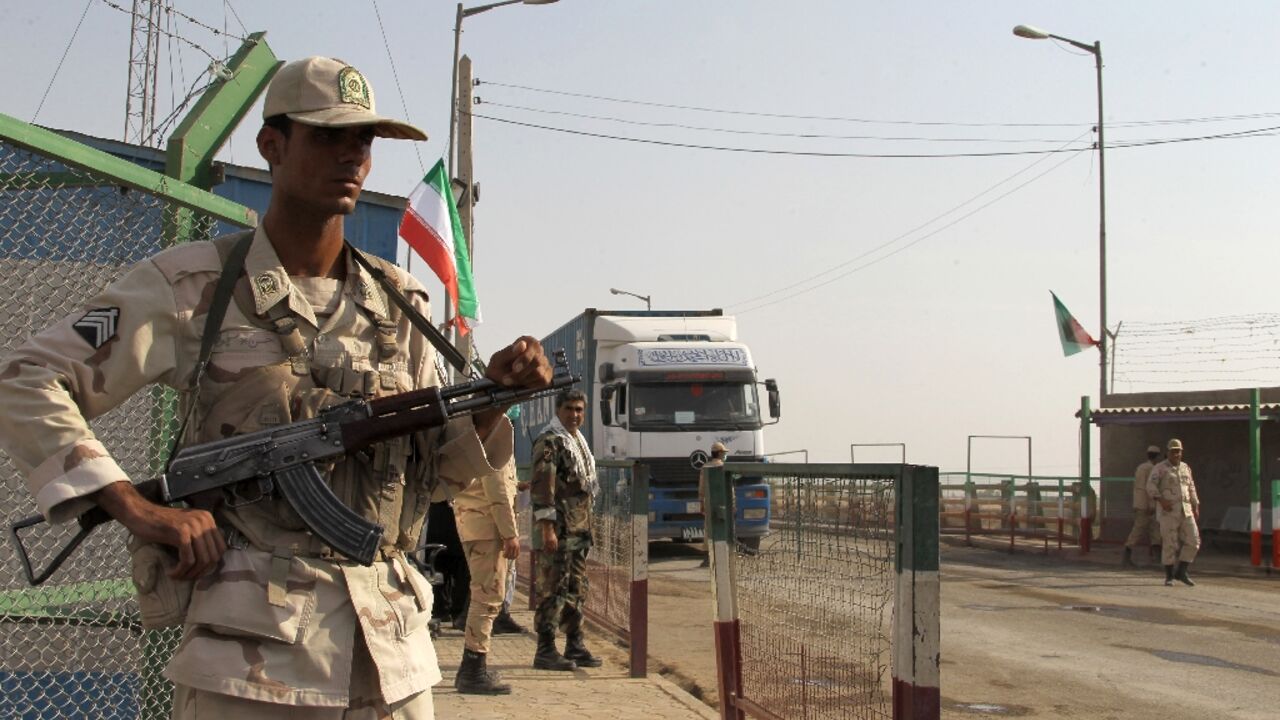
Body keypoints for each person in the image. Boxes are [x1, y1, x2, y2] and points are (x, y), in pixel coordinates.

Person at [0, 56, 552, 718]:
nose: (352, 155)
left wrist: (492, 402)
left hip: (392, 660)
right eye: (328, 135)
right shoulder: (193, 288)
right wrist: (136, 507)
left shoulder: (401, 303)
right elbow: (28, 379)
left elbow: (430, 477)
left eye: (364, 140)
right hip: (251, 669)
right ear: (272, 145)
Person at [529, 388, 601, 671]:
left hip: (579, 529)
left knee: (576, 587)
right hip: (558, 530)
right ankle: (545, 649)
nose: (575, 415)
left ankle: (575, 643)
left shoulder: (577, 442)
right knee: (552, 588)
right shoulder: (550, 442)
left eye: (579, 410)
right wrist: (547, 530)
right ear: (558, 410)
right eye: (569, 409)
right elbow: (542, 490)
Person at [450, 460, 521, 694]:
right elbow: (497, 488)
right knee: (487, 598)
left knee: (485, 595)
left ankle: (470, 668)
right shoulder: (495, 434)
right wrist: (510, 533)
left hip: (475, 522)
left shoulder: (481, 433)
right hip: (488, 526)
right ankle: (473, 670)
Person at [1146, 438, 1201, 587]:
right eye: (1173, 451)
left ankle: (1181, 571)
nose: (1176, 454)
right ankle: (1169, 575)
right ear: (1168, 452)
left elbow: (1191, 487)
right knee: (1170, 543)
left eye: (1178, 451)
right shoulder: (1160, 468)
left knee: (1194, 541)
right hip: (1168, 511)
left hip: (1186, 510)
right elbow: (1150, 485)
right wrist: (1160, 499)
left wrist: (1195, 504)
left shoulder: (1185, 468)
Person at [1122, 445, 1163, 567]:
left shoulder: (1141, 467)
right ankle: (1128, 555)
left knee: (1151, 530)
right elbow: (1149, 487)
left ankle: (1157, 558)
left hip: (1139, 503)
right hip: (1147, 505)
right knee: (1144, 530)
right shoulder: (1152, 468)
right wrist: (1151, 504)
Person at [698, 441, 729, 568]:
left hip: (709, 501)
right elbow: (729, 488)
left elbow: (701, 487)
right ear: (720, 453)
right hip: (723, 502)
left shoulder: (705, 468)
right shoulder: (724, 468)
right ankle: (721, 558)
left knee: (708, 530)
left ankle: (707, 557)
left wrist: (701, 502)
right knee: (723, 529)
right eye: (724, 453)